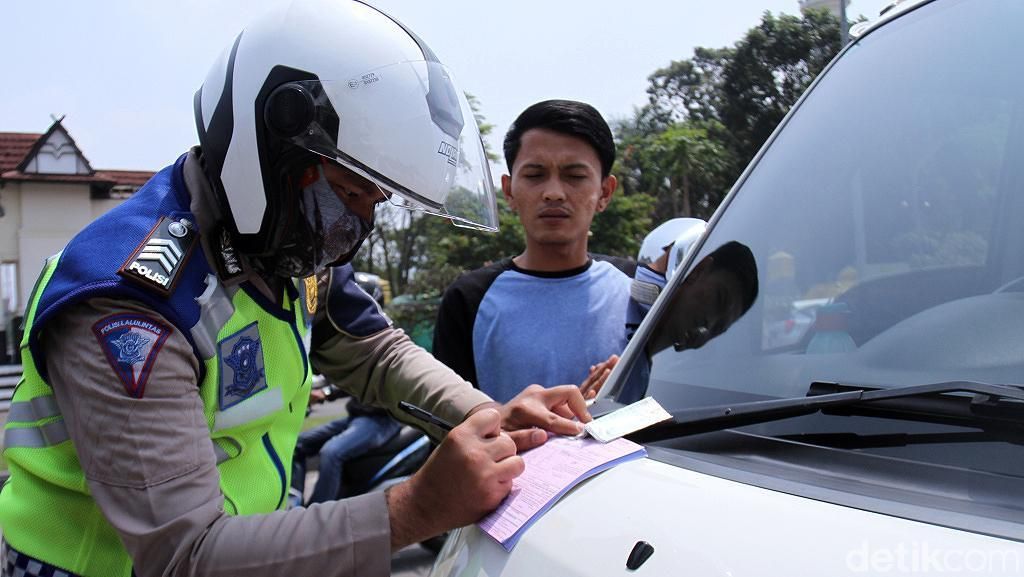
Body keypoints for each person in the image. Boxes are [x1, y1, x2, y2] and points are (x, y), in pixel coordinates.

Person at [0, 3, 592, 576]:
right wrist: (415, 508)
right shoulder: (133, 304)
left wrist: (486, 413)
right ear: (271, 151)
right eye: (349, 191)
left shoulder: (279, 242)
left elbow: (376, 352)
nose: (357, 223)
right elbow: (185, 555)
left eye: (375, 200)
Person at [432, 100, 632, 403]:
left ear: (605, 192)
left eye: (575, 176)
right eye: (535, 175)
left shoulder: (642, 292)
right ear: (509, 191)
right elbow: (447, 420)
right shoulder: (468, 300)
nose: (553, 193)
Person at [616, 241, 760, 403]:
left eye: (720, 327)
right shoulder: (607, 285)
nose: (710, 323)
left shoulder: (656, 384)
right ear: (699, 271)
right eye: (718, 300)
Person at [290, 378, 401, 506]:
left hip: (380, 420)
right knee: (297, 443)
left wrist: (328, 392)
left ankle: (318, 511)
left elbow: (367, 380)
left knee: (331, 452)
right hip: (357, 416)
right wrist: (326, 392)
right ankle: (294, 500)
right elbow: (354, 379)